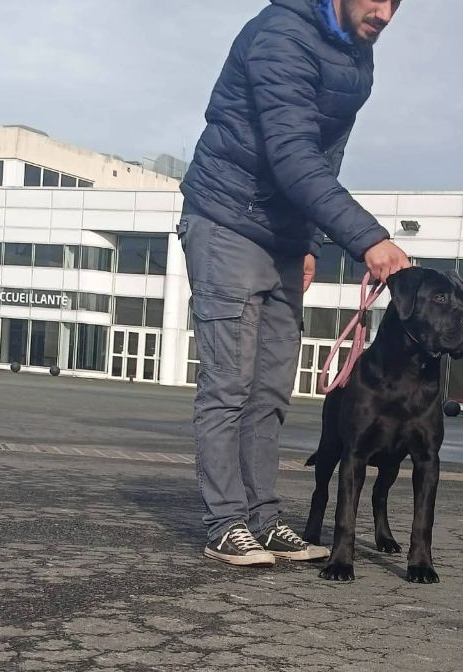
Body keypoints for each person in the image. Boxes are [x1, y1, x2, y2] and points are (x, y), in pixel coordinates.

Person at [179, 0, 411, 568]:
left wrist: (307, 240)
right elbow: (290, 152)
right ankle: (225, 522)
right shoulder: (281, 34)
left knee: (270, 393)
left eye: (397, 1)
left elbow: (326, 155)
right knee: (230, 385)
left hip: (281, 235)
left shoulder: (358, 56)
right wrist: (368, 239)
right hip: (227, 220)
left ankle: (263, 515)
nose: (384, 11)